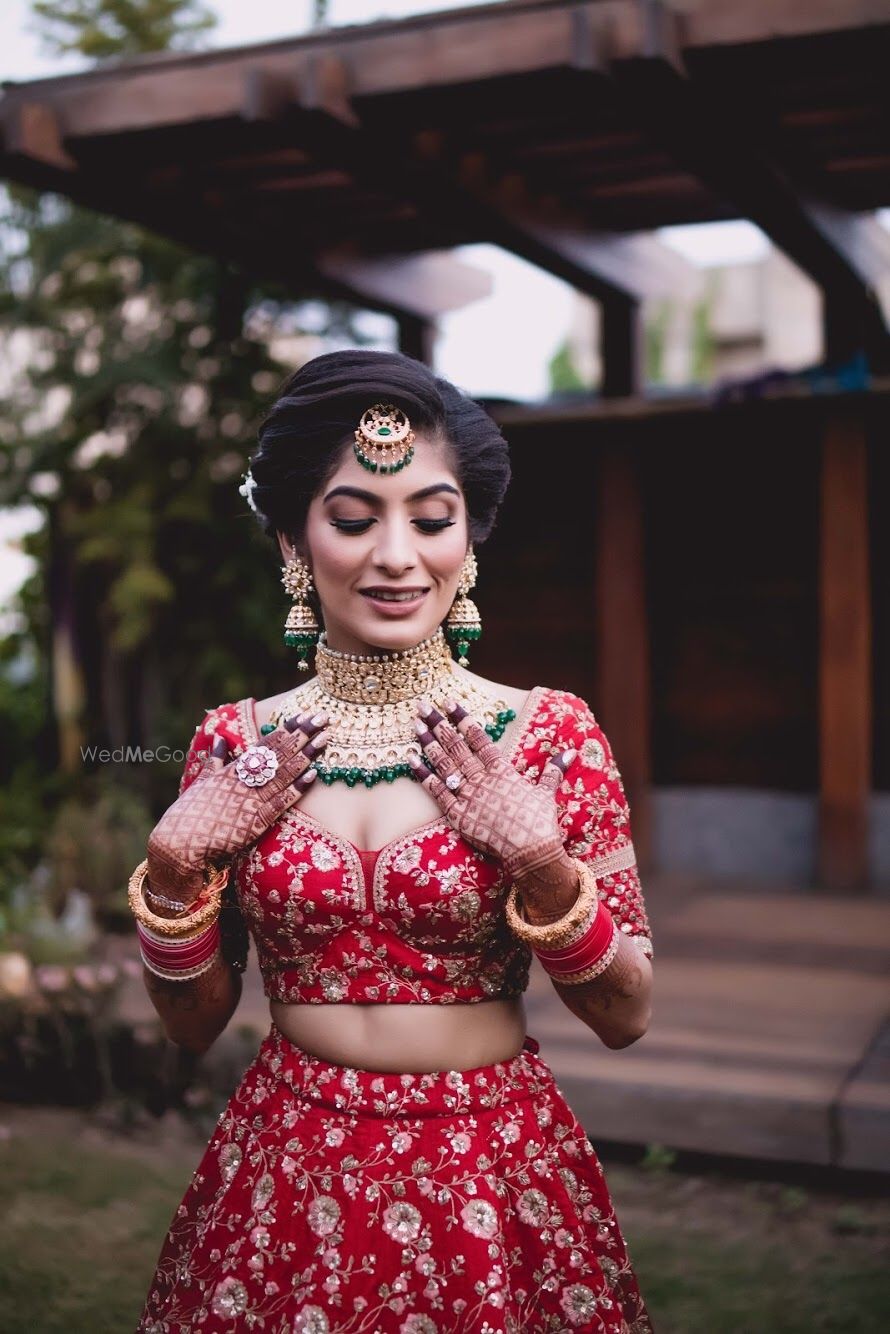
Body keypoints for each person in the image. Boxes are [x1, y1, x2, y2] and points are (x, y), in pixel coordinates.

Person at [135, 350, 654, 1333]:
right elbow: (191, 1023)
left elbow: (625, 1012)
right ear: (294, 537)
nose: (395, 555)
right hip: (285, 1159)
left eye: (429, 516)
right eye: (352, 517)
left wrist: (541, 868)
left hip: (485, 1157)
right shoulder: (235, 745)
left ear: (468, 536)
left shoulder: (546, 736)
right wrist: (171, 875)